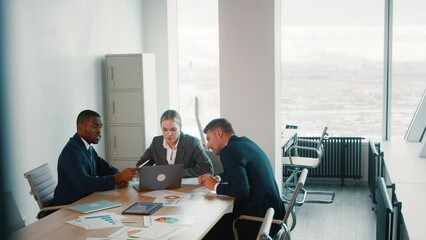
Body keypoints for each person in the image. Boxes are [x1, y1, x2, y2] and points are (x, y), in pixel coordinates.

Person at [198, 118, 285, 239]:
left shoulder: (229, 151)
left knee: (205, 231)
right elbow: (238, 172)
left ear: (219, 133)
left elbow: (241, 191)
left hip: (257, 221)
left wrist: (215, 186)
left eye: (208, 139)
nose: (208, 145)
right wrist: (217, 178)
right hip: (274, 214)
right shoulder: (244, 142)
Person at [53, 110, 136, 206]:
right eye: (94, 127)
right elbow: (84, 183)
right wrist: (117, 178)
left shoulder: (88, 148)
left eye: (100, 127)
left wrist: (120, 178)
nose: (99, 131)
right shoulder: (71, 152)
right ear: (80, 127)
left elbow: (105, 168)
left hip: (85, 201)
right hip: (69, 206)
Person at [136, 109, 213, 177]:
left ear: (180, 127)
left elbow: (208, 169)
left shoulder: (192, 142)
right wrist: (158, 172)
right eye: (165, 130)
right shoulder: (156, 142)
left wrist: (179, 173)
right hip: (161, 188)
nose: (169, 134)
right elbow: (140, 165)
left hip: (185, 188)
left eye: (173, 129)